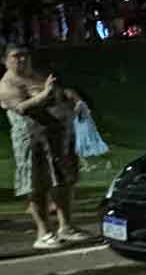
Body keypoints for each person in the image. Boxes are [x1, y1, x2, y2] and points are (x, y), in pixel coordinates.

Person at [0, 45, 94, 249]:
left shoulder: (38, 74)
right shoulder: (7, 84)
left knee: (63, 181)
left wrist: (70, 96)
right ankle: (44, 233)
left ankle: (66, 227)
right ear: (5, 61)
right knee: (37, 185)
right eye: (16, 56)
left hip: (57, 137)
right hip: (31, 140)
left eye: (25, 55)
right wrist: (45, 94)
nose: (22, 60)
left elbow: (58, 93)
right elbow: (22, 108)